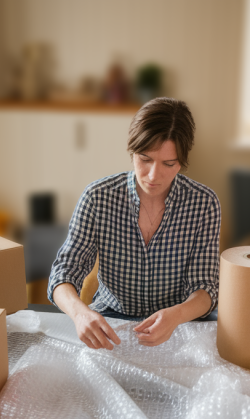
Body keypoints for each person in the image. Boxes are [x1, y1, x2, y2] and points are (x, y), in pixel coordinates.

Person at [48, 97, 221, 350]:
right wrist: (80, 313)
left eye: (168, 164)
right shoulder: (98, 197)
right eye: (145, 159)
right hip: (111, 322)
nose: (153, 175)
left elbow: (206, 289)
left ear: (182, 161)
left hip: (179, 326)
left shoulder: (204, 203)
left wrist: (177, 314)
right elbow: (63, 272)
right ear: (132, 151)